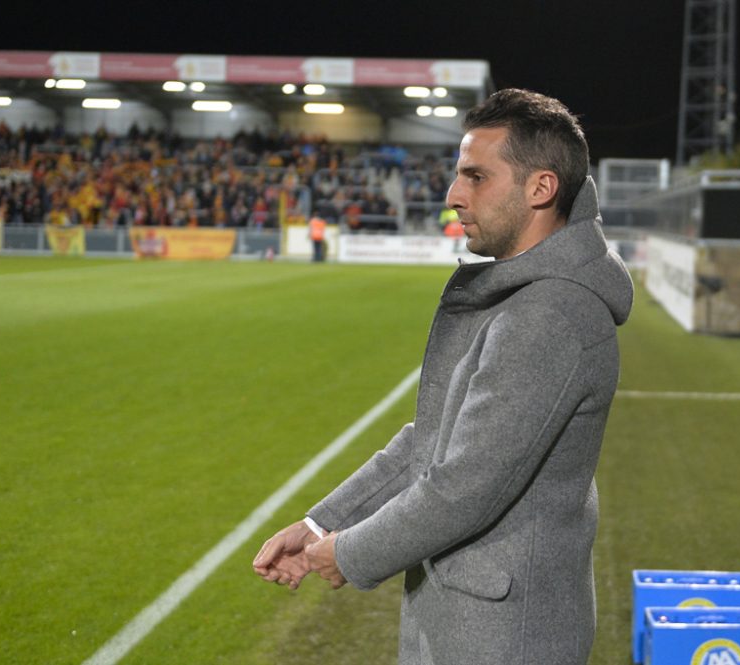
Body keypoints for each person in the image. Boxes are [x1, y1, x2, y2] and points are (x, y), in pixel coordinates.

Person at [253, 88, 633, 665]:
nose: (454, 195)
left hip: (506, 636)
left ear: (541, 188)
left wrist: (348, 552)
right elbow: (433, 439)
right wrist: (321, 522)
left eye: (476, 176)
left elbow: (464, 486)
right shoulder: (527, 299)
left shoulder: (549, 315)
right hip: (476, 621)